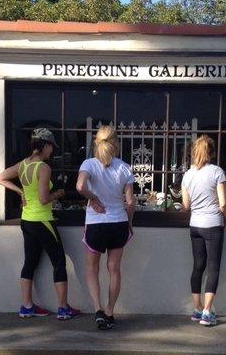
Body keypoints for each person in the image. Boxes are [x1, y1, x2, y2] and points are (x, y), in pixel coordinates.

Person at [0, 128, 80, 320]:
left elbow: (0, 178)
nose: (52, 151)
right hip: (43, 220)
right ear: (45, 145)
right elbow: (43, 199)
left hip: (27, 220)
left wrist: (20, 192)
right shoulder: (43, 168)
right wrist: (57, 194)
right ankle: (63, 308)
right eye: (52, 146)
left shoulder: (24, 165)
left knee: (30, 262)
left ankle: (26, 306)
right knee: (58, 261)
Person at [76, 125, 135, 330]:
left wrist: (93, 198)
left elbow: (80, 186)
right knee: (114, 270)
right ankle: (110, 311)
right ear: (116, 143)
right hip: (118, 222)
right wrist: (129, 223)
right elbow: (130, 202)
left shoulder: (88, 164)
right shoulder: (124, 167)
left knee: (92, 268)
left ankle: (98, 309)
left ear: (96, 142)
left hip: (96, 224)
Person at [180, 135, 226, 326]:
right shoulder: (217, 172)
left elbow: (185, 205)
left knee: (198, 266)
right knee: (213, 267)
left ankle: (197, 309)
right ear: (211, 152)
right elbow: (223, 202)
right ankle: (207, 312)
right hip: (212, 224)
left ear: (194, 153)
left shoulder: (188, 175)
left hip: (195, 225)